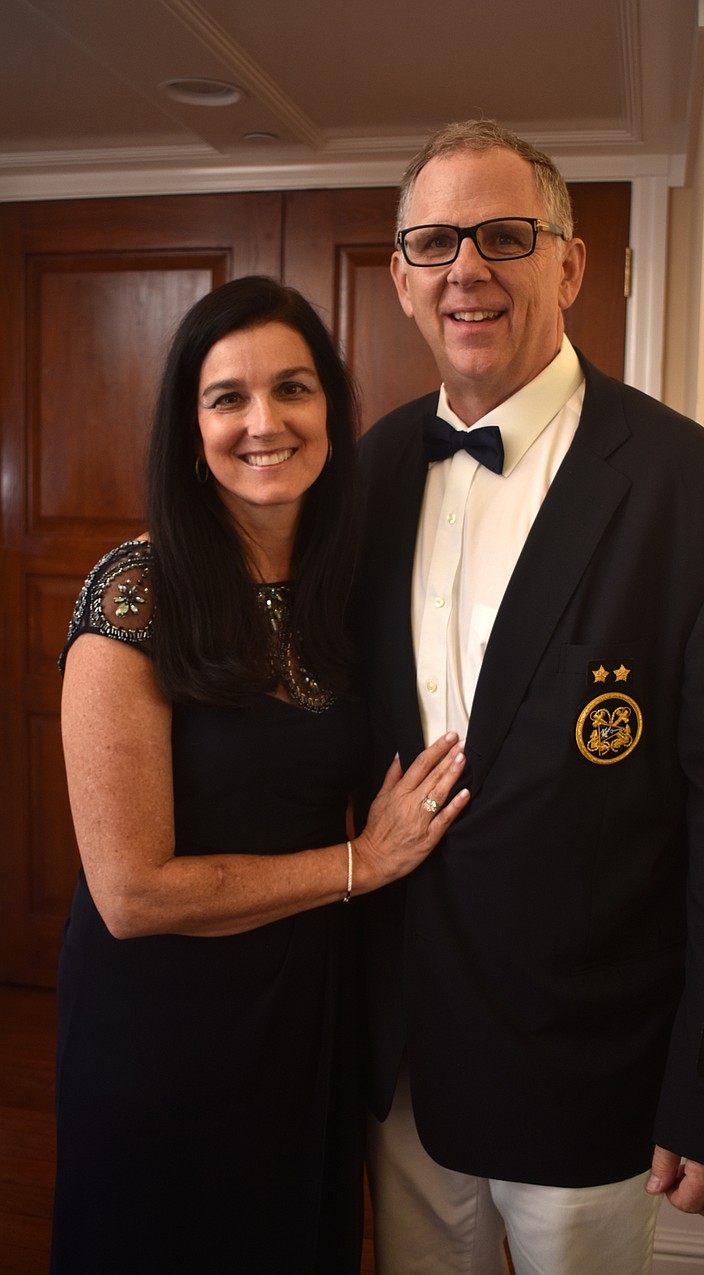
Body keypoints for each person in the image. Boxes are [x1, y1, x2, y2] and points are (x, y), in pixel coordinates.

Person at [356, 120, 704, 1275]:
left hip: (590, 1079)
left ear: (567, 265)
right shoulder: (357, 480)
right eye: (434, 242)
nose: (466, 267)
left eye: (502, 237)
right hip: (397, 1067)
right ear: (405, 280)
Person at [50, 275, 470, 1275]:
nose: (263, 421)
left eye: (292, 389)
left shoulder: (337, 591)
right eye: (226, 396)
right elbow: (130, 892)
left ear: (330, 409)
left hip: (303, 1012)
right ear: (189, 431)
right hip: (164, 1024)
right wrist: (360, 865)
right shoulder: (136, 594)